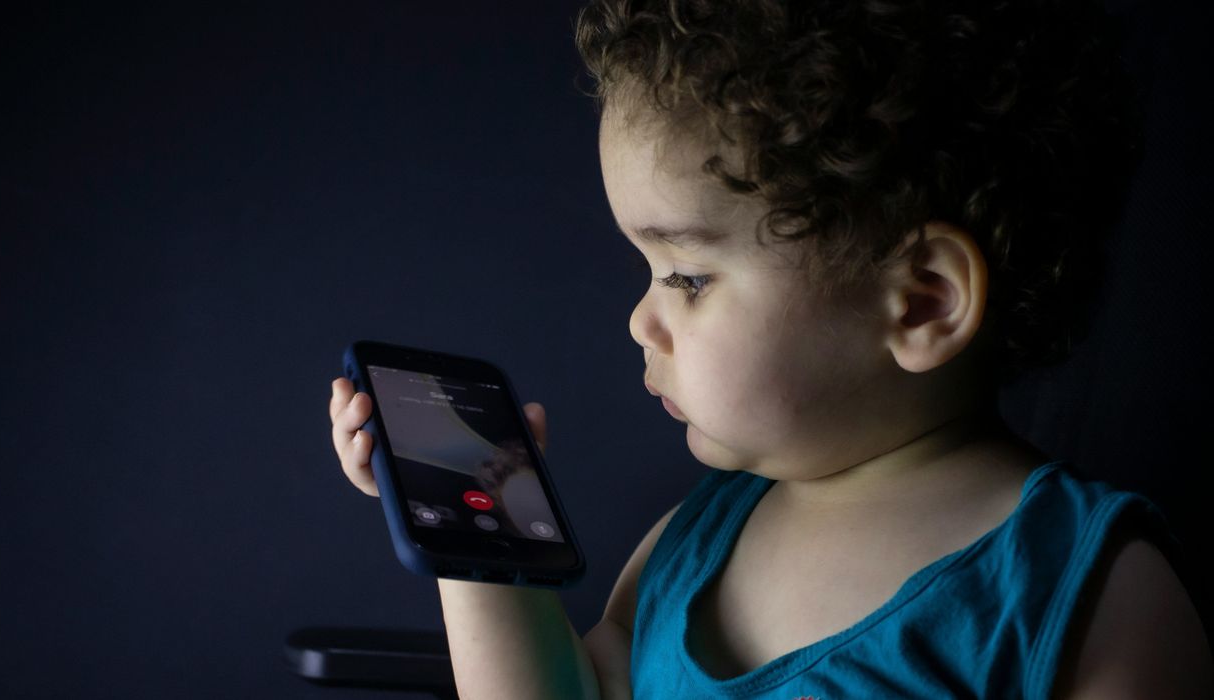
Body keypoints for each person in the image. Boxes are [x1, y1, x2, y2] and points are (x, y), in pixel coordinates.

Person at [329, 0, 1213, 696]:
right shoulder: (693, 541)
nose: (639, 321)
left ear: (921, 301)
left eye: (685, 276)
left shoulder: (1085, 593)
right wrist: (472, 548)